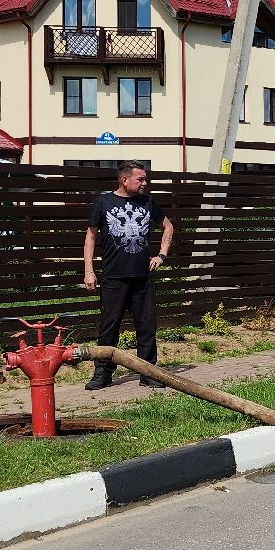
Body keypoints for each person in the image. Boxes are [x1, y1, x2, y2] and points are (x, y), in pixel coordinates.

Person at [83, 160, 176, 389]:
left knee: (146, 326)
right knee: (109, 326)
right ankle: (102, 373)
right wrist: (89, 271)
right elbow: (90, 237)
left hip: (143, 277)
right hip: (114, 276)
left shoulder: (148, 202)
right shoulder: (103, 202)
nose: (145, 183)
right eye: (140, 179)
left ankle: (148, 373)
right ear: (124, 180)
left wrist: (161, 255)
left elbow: (168, 226)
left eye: (145, 179)